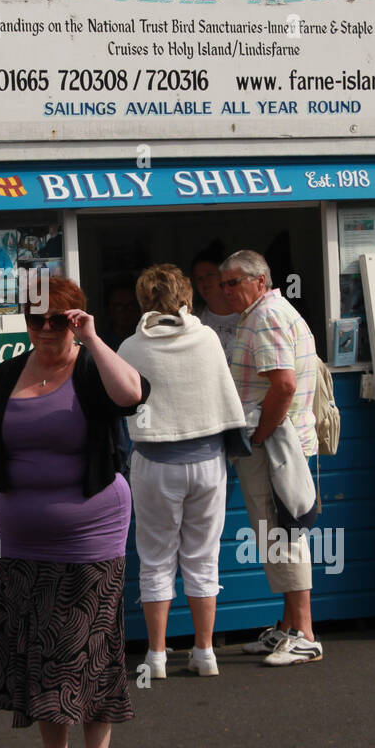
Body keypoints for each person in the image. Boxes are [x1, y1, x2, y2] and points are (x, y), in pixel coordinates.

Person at [0, 277, 148, 748]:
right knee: (36, 649)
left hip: (91, 529)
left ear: (75, 319)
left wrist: (91, 337)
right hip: (21, 534)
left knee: (86, 647)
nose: (45, 329)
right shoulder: (6, 374)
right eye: (35, 319)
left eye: (58, 319)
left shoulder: (91, 368)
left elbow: (131, 395)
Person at [117, 265, 245, 678]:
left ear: (143, 300)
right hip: (207, 461)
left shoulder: (130, 347)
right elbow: (223, 392)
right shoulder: (206, 338)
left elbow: (115, 400)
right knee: (203, 557)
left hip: (154, 463)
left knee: (155, 559)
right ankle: (204, 651)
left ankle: (156, 656)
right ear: (186, 296)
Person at [220, 249, 323, 665]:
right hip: (283, 442)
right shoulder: (270, 311)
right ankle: (287, 628)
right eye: (223, 283)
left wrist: (259, 437)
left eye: (235, 282)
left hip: (275, 446)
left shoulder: (265, 318)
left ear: (260, 281)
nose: (226, 290)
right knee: (279, 532)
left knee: (284, 534)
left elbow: (282, 385)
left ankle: (304, 633)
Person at [191, 245, 240, 357]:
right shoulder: (193, 321)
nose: (205, 282)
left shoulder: (247, 316)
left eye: (209, 275)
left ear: (224, 276)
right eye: (199, 278)